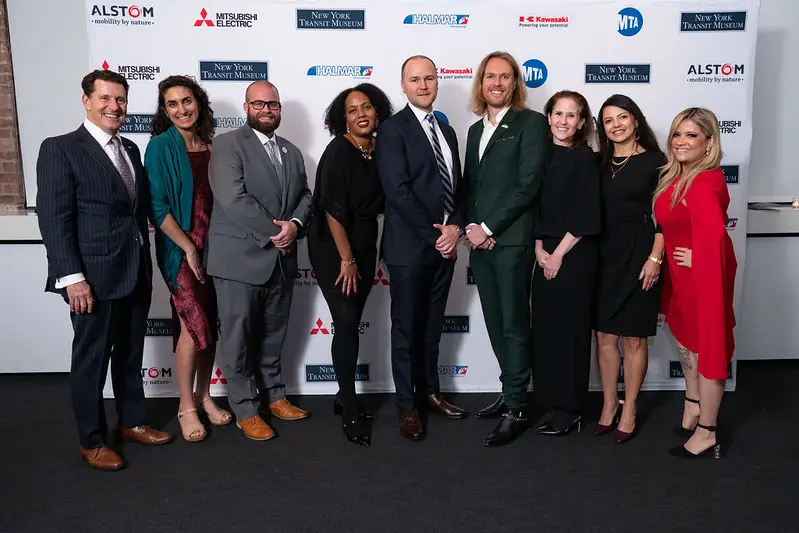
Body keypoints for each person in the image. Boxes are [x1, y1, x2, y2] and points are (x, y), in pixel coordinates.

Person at [36, 69, 173, 471]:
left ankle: (131, 421)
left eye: (122, 100)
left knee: (130, 354)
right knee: (91, 361)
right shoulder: (60, 148)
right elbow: (54, 219)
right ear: (86, 100)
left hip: (134, 271)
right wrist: (72, 278)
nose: (115, 107)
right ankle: (92, 440)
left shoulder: (130, 148)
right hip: (91, 278)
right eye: (105, 99)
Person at [206, 80, 313, 441]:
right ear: (247, 107)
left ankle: (275, 395)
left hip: (281, 260)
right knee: (238, 339)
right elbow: (234, 199)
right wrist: (276, 231)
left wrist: (295, 225)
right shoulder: (226, 145)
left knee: (272, 334)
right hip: (238, 261)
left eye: (273, 105)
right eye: (259, 104)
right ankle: (246, 409)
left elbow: (305, 196)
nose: (267, 110)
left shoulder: (292, 151)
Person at [375, 55, 469, 441]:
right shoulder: (392, 130)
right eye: (415, 79)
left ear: (437, 81)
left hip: (443, 247)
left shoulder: (445, 131)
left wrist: (456, 228)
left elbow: (459, 187)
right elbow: (397, 192)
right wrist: (437, 236)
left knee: (431, 329)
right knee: (406, 331)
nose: (423, 85)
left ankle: (431, 391)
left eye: (429, 78)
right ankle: (406, 405)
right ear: (403, 85)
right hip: (410, 249)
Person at [462, 51, 549, 446]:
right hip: (480, 244)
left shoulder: (531, 123)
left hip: (511, 240)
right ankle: (508, 389)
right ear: (481, 83)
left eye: (505, 76)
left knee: (514, 323)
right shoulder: (475, 131)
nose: (497, 83)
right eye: (490, 76)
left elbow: (527, 184)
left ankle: (517, 405)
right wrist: (472, 227)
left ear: (515, 83)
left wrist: (490, 226)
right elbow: (470, 187)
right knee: (495, 322)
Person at [145, 75, 231, 443]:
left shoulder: (211, 145)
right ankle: (185, 406)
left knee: (208, 324)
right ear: (165, 111)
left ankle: (204, 395)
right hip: (181, 250)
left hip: (216, 249)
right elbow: (157, 207)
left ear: (199, 102)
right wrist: (189, 248)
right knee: (190, 323)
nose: (182, 109)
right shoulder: (160, 146)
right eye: (172, 104)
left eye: (187, 101)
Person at [308, 83, 393, 447]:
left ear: (378, 113)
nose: (361, 114)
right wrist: (346, 259)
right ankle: (350, 404)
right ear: (343, 118)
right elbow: (331, 208)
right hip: (334, 245)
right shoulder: (339, 150)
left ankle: (344, 397)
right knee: (345, 324)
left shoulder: (378, 149)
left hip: (364, 240)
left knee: (352, 321)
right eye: (352, 109)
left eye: (367, 107)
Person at [653, 107, 736, 459]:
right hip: (682, 277)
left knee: (707, 347)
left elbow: (716, 235)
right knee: (687, 341)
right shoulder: (677, 176)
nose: (682, 141)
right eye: (677, 134)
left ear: (709, 142)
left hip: (704, 279)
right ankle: (693, 405)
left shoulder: (703, 180)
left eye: (691, 135)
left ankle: (707, 431)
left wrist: (697, 258)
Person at [593, 94, 667, 443]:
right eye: (609, 120)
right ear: (602, 128)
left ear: (636, 120)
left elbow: (666, 215)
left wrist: (656, 257)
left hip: (640, 255)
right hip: (603, 256)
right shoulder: (598, 162)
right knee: (605, 335)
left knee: (634, 337)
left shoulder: (657, 161)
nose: (617, 125)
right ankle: (609, 404)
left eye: (623, 117)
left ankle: (631, 406)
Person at [532, 90, 601, 437]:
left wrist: (557, 254)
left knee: (570, 331)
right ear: (548, 117)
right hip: (544, 254)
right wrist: (539, 250)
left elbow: (587, 213)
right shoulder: (540, 155)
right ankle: (552, 401)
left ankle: (571, 408)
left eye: (571, 115)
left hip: (574, 255)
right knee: (547, 331)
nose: (563, 121)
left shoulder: (585, 158)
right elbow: (535, 208)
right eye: (558, 113)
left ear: (582, 123)